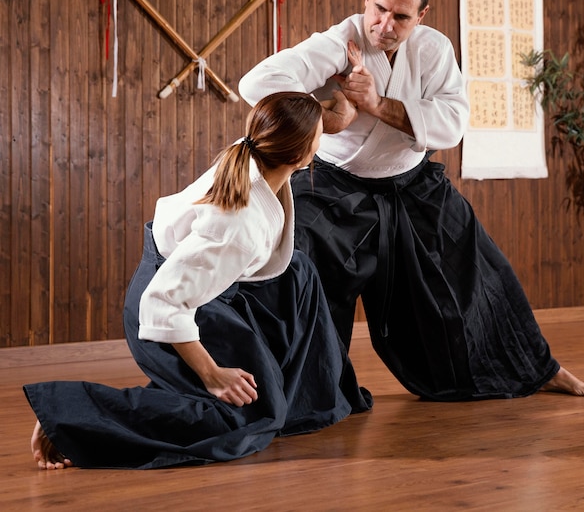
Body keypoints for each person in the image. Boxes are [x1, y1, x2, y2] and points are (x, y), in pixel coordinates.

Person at [238, 0, 584, 402]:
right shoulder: (341, 41)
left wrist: (375, 102)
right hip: (335, 184)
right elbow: (256, 82)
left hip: (409, 185)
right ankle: (304, 392)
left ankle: (536, 368)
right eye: (379, 9)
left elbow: (452, 125)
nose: (385, 25)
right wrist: (330, 115)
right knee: (302, 264)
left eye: (401, 16)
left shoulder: (433, 50)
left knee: (478, 267)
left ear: (421, 16)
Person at [25, 92, 372, 470]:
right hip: (168, 312)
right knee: (249, 416)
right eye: (321, 133)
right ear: (300, 154)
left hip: (204, 291)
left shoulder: (253, 149)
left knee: (298, 272)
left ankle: (313, 399)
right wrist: (212, 374)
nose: (325, 138)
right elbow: (162, 302)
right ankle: (67, 417)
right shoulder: (237, 225)